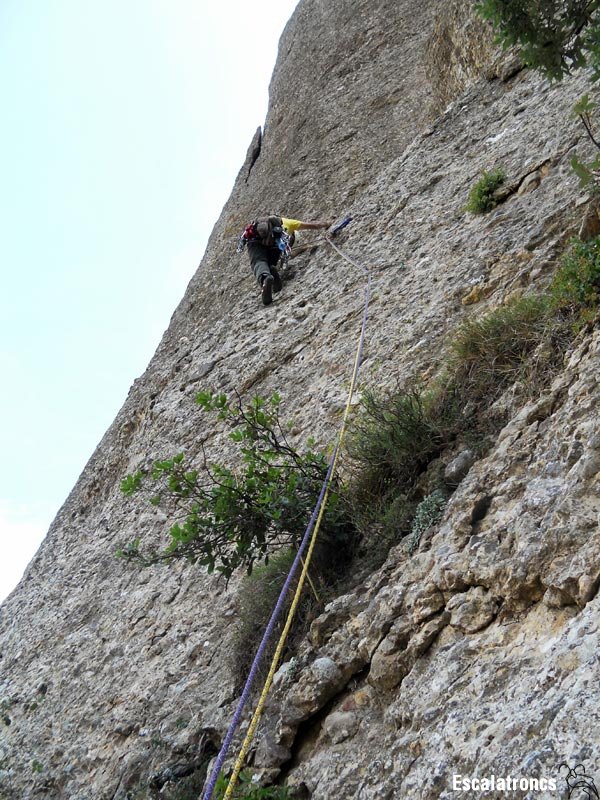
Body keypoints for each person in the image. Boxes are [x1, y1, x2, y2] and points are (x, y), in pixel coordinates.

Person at [239, 215, 331, 305]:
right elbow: (290, 253)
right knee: (271, 261)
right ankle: (271, 273)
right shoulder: (283, 236)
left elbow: (314, 225)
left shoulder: (287, 222)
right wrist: (327, 224)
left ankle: (265, 277)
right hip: (274, 244)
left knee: (258, 261)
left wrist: (327, 223)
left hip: (255, 240)